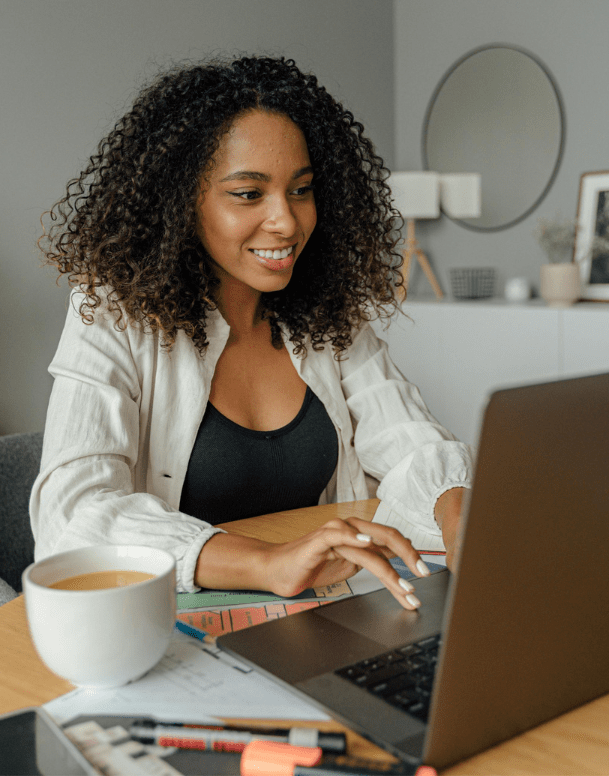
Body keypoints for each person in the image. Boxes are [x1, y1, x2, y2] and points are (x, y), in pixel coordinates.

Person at [31, 56, 471, 611]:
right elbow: (72, 513)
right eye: (247, 194)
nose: (286, 222)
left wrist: (464, 535)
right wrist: (268, 563)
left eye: (302, 190)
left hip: (324, 606)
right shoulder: (115, 312)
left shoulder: (325, 311)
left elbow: (411, 441)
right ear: (182, 202)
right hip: (170, 621)